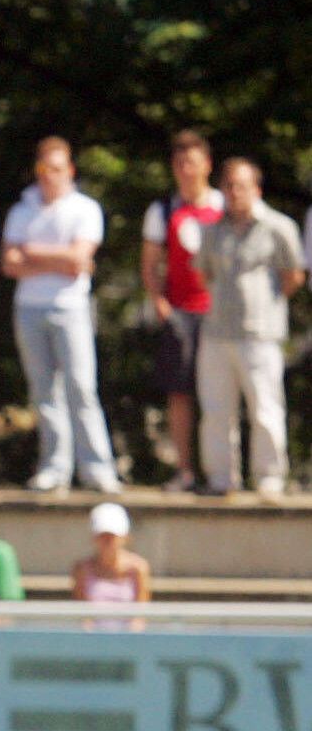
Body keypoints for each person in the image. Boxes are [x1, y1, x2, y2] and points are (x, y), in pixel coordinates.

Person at [2, 137, 119, 494]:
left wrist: (32, 253)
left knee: (81, 388)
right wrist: (60, 258)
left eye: (57, 169)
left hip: (71, 309)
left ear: (69, 170)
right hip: (29, 309)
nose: (49, 177)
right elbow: (9, 263)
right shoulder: (22, 210)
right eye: (43, 169)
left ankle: (98, 469)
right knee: (44, 392)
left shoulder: (85, 209)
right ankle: (55, 467)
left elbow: (79, 261)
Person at [194, 157, 304, 498]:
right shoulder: (212, 230)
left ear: (255, 189)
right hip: (217, 332)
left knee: (266, 409)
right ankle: (221, 479)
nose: (233, 192)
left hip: (260, 333)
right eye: (228, 185)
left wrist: (264, 304)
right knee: (216, 411)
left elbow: (293, 276)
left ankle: (269, 478)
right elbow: (204, 272)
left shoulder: (278, 226)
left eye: (240, 185)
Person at [140, 131, 223, 492]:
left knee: (220, 394)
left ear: (207, 165)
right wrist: (160, 302)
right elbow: (149, 263)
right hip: (181, 314)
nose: (186, 170)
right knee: (180, 394)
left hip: (221, 313)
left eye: (193, 162)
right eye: (180, 163)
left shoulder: (223, 206)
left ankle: (222, 473)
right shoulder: (163, 211)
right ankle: (185, 471)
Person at [72, 501, 150, 604]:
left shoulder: (138, 568)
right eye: (102, 536)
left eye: (112, 537)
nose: (107, 541)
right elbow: (82, 613)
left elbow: (141, 614)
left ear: (125, 537)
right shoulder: (82, 569)